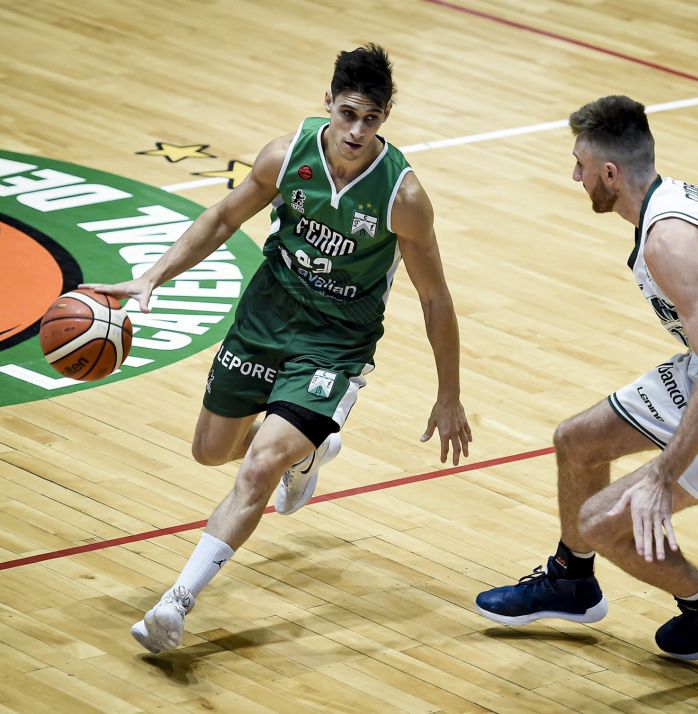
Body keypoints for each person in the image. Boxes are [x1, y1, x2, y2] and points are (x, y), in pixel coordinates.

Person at [84, 44, 473, 654]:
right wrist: (152, 276)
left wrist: (449, 395)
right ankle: (309, 451)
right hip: (264, 320)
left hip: (334, 345)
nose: (357, 131)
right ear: (328, 102)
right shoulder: (286, 155)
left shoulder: (402, 196)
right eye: (348, 114)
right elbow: (223, 218)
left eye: (371, 119)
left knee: (259, 467)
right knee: (211, 451)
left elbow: (435, 298)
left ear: (386, 116)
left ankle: (175, 603)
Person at [475, 95, 698, 661]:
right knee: (577, 442)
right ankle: (570, 582)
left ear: (610, 174)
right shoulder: (671, 201)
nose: (576, 176)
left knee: (601, 523)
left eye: (581, 165)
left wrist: (663, 475)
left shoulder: (668, 241)